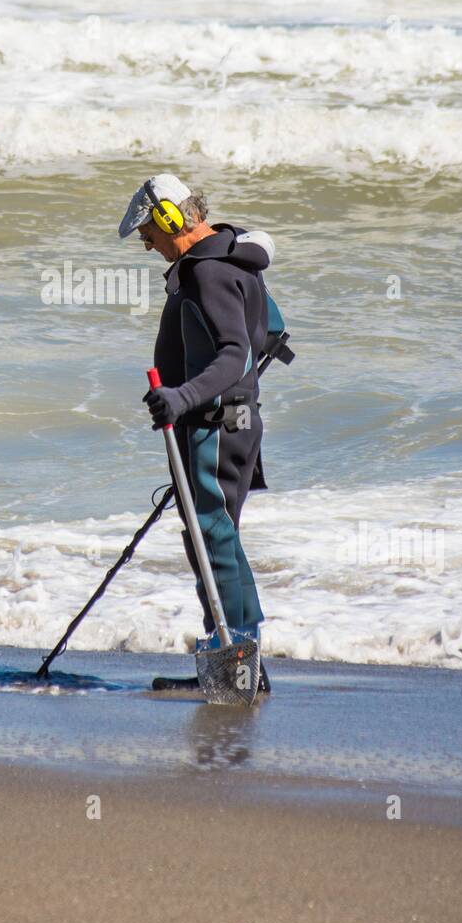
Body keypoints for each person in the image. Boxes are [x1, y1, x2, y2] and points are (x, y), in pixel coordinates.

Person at [118, 173, 285, 693]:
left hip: (212, 425)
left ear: (170, 218)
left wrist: (182, 397)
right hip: (230, 421)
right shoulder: (236, 259)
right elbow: (272, 333)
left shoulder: (208, 273)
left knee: (211, 537)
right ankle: (240, 665)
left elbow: (234, 353)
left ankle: (234, 669)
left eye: (149, 231)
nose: (147, 243)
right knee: (217, 537)